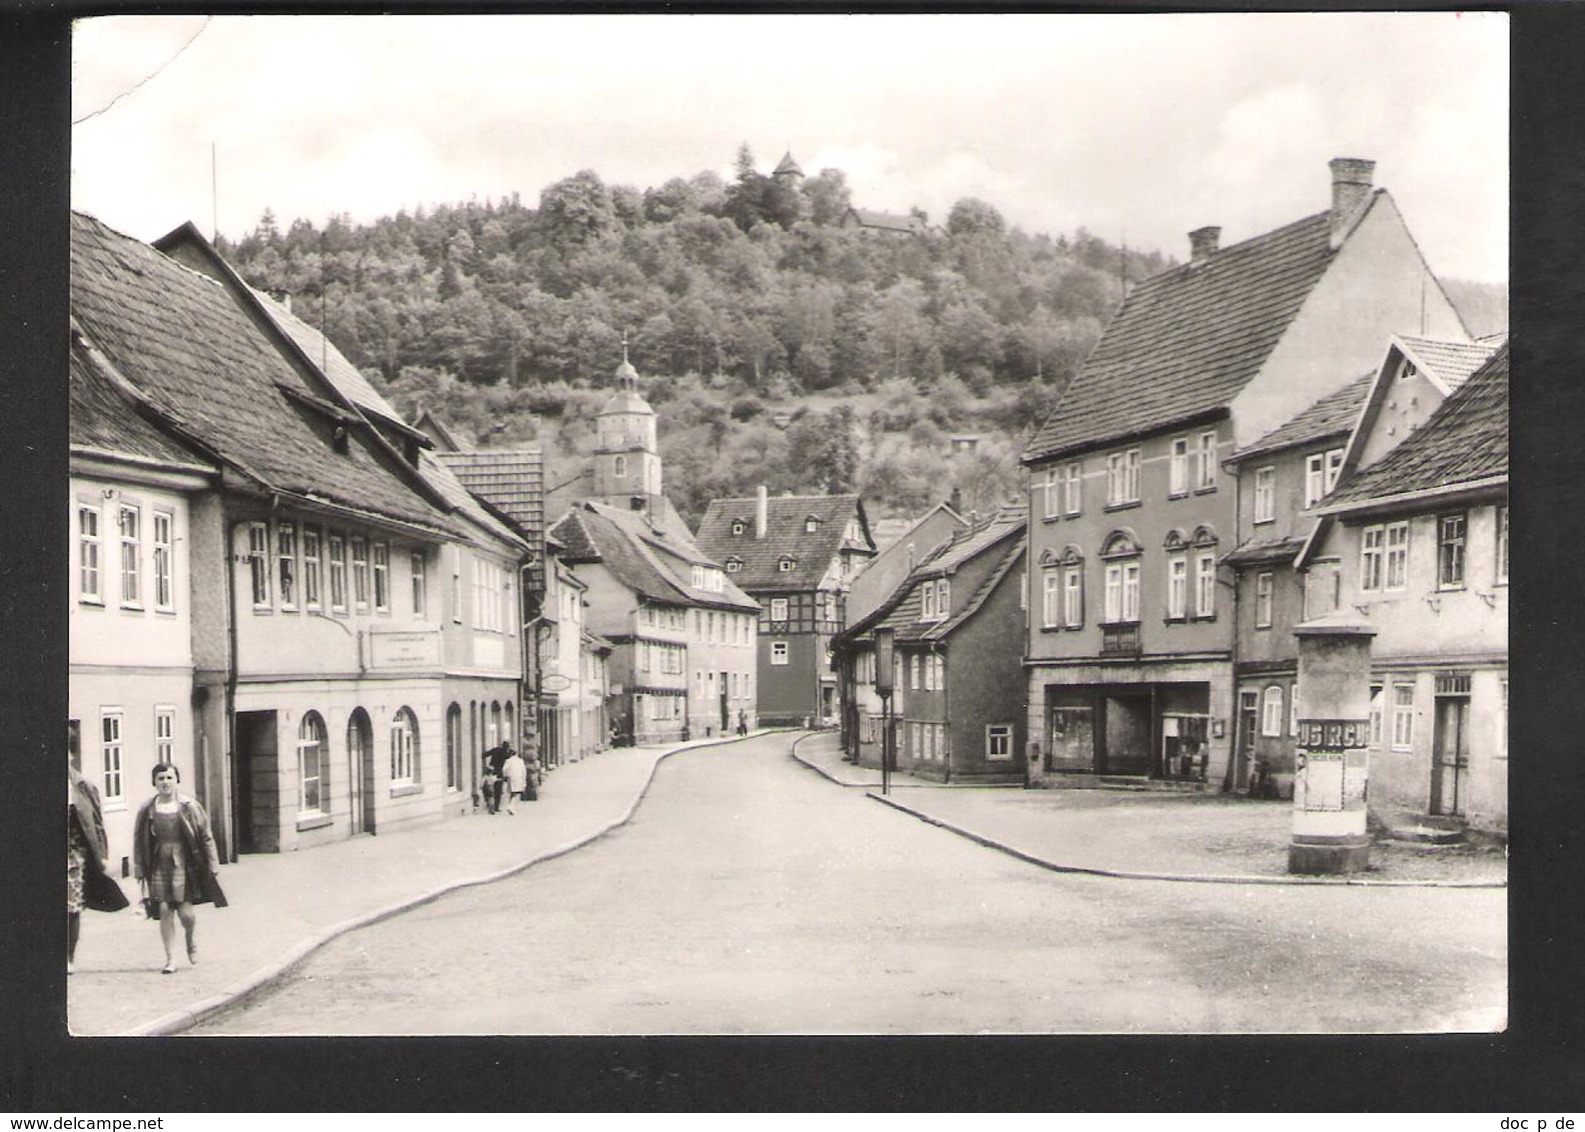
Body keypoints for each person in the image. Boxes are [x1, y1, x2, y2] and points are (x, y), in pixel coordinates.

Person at [133, 763, 227, 974]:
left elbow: (205, 835)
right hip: (159, 861)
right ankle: (171, 959)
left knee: (186, 914)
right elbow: (139, 839)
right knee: (165, 909)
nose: (165, 782)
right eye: (161, 778)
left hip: (185, 861)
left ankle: (190, 938)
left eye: (169, 777)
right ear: (154, 782)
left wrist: (213, 863)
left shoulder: (188, 805)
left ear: (176, 780)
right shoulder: (148, 808)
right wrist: (139, 866)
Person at [69, 761, 125, 974]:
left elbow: (96, 823)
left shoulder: (83, 786)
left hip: (73, 856)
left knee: (71, 908)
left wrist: (101, 854)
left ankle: (68, 957)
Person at [500, 746, 527, 815]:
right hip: (519, 777)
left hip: (510, 777)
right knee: (516, 792)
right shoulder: (520, 761)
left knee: (512, 792)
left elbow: (504, 769)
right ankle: (511, 806)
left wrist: (505, 776)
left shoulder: (508, 761)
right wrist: (524, 779)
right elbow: (523, 771)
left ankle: (511, 806)